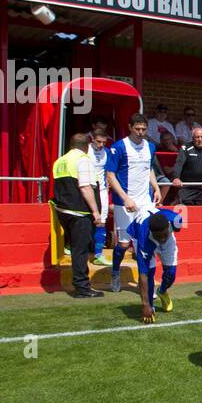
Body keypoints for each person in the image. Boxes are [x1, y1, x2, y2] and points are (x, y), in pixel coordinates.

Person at [105, 113, 162, 294]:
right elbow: (110, 175)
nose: (140, 132)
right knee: (123, 245)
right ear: (130, 127)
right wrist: (125, 198)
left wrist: (156, 187)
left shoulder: (150, 147)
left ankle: (145, 282)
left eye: (143, 129)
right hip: (125, 203)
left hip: (145, 202)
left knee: (145, 243)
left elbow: (149, 168)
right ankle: (115, 273)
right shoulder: (119, 147)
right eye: (137, 129)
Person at [51, 132, 106, 299]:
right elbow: (85, 187)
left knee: (76, 249)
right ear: (86, 146)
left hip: (63, 211)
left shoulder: (60, 161)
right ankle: (82, 287)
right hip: (79, 212)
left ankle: (80, 284)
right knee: (80, 250)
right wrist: (96, 212)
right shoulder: (83, 160)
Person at [129, 207, 182, 323]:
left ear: (169, 226)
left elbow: (165, 233)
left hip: (167, 241)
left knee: (171, 274)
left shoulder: (176, 221)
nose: (162, 239)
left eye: (164, 234)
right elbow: (143, 275)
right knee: (149, 272)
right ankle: (151, 307)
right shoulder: (144, 240)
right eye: (159, 236)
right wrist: (145, 304)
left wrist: (164, 237)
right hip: (143, 239)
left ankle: (162, 291)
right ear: (152, 232)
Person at [88, 129, 112, 265]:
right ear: (92, 139)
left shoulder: (107, 152)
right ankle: (71, 246)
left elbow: (110, 170)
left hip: (102, 190)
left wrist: (109, 181)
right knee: (84, 219)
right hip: (86, 189)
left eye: (104, 142)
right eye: (99, 141)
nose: (101, 144)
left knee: (102, 220)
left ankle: (98, 254)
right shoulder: (85, 151)